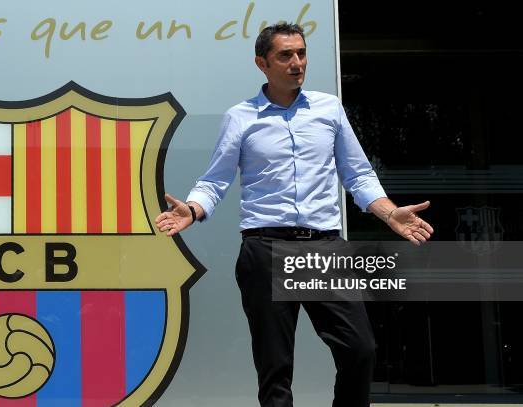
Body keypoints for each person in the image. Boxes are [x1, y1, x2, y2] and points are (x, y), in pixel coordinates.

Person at [155, 22, 434, 407]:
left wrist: (388, 213)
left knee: (360, 349)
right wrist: (194, 208)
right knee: (275, 370)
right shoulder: (241, 117)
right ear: (262, 63)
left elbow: (357, 173)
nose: (296, 63)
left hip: (323, 249)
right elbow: (216, 179)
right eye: (285, 55)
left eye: (301, 53)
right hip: (266, 249)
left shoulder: (328, 109)